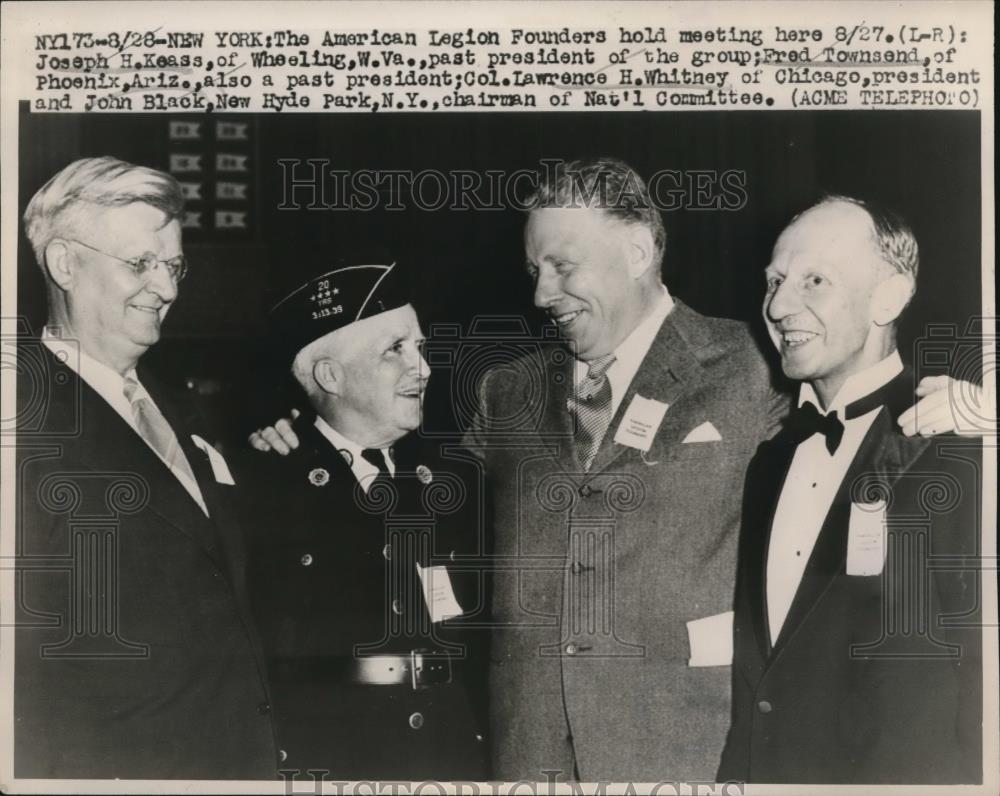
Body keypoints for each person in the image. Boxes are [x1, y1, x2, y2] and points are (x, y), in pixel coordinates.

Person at [250, 158, 982, 782]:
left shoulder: (754, 365)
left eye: (564, 266)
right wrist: (298, 437)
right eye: (535, 270)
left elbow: (861, 407)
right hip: (526, 760)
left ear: (638, 251)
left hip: (689, 756)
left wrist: (972, 404)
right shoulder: (506, 389)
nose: (541, 294)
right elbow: (398, 481)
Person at [15, 157, 277, 778]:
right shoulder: (23, 425)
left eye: (173, 264)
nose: (168, 288)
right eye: (140, 264)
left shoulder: (181, 405)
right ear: (65, 265)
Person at [716, 197, 982, 784]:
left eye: (814, 280)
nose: (780, 306)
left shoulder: (957, 445)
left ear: (888, 297)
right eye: (775, 281)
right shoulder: (769, 459)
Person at [244, 262, 490, 781]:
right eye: (395, 349)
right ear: (330, 376)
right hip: (334, 758)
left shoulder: (455, 477)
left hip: (450, 755)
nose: (422, 368)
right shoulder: (259, 484)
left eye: (418, 347)